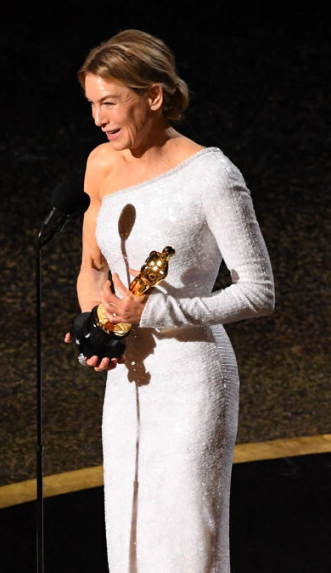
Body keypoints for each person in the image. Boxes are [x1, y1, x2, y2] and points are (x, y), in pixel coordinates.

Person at [65, 29, 274, 572]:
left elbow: (258, 292)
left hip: (192, 380)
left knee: (183, 540)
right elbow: (92, 268)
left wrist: (152, 313)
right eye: (92, 104)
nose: (99, 118)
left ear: (154, 96)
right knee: (130, 531)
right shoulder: (102, 165)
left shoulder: (212, 175)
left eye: (110, 102)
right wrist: (100, 326)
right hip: (128, 380)